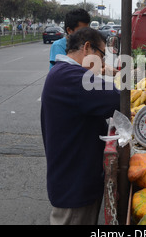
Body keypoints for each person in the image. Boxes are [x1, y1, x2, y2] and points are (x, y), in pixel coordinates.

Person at [40, 27, 120, 225]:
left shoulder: (64, 72)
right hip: (73, 189)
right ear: (87, 48)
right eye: (101, 56)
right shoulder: (71, 78)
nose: (102, 64)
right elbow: (117, 99)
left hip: (76, 180)